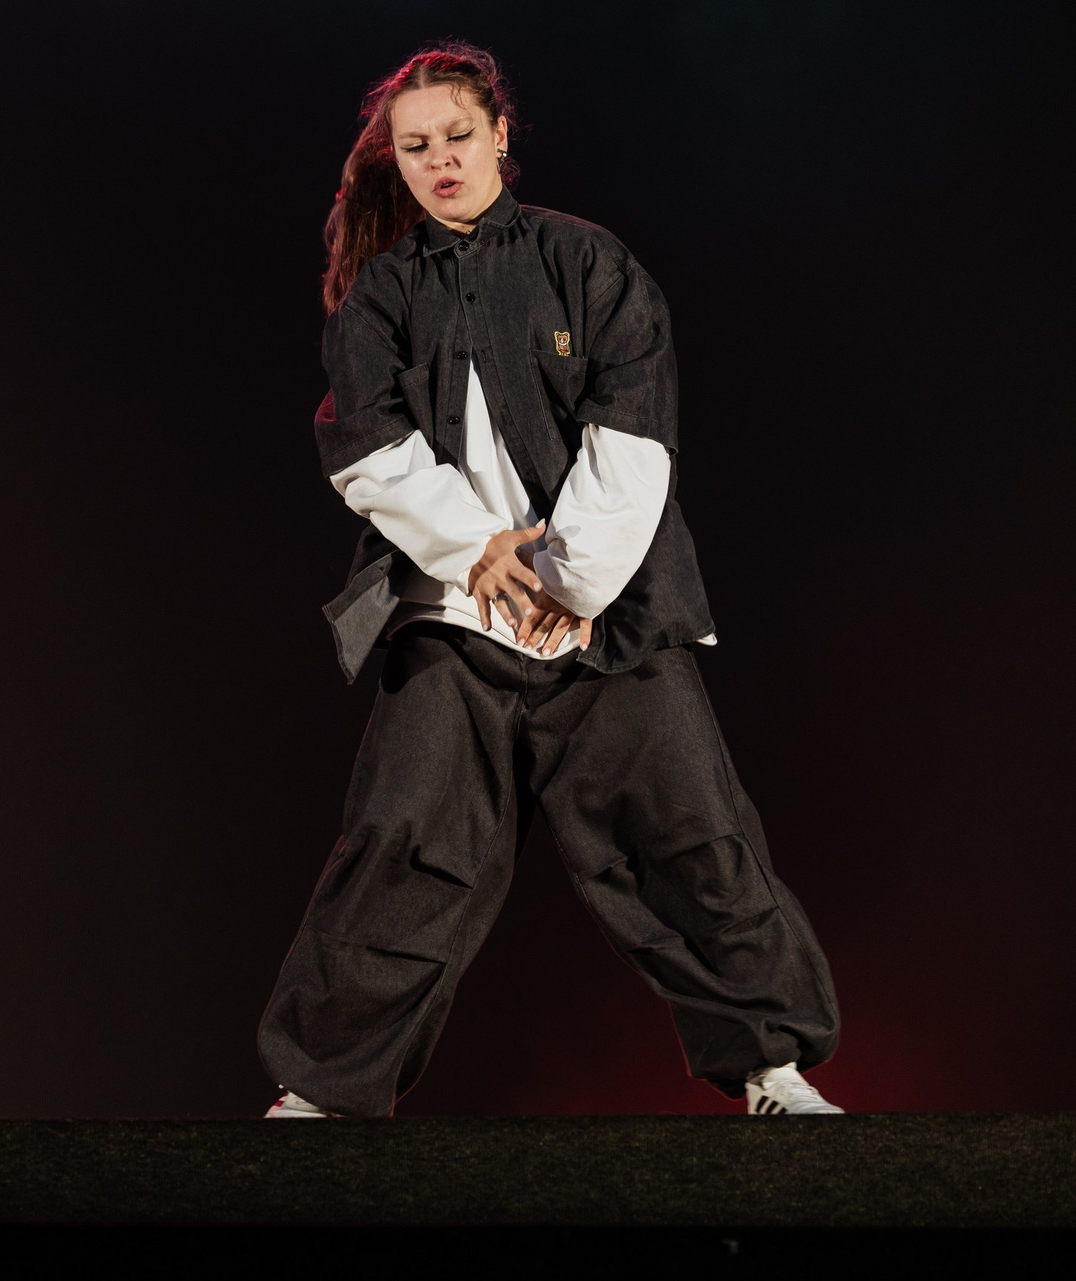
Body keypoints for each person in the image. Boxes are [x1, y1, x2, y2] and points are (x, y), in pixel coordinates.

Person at [257, 46, 842, 1118]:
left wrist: (569, 586)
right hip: (452, 616)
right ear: (396, 160)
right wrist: (475, 548)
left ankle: (774, 1068)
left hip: (606, 618)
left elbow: (635, 434)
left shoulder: (588, 261)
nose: (440, 161)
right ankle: (323, 1092)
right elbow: (366, 450)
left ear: (500, 135)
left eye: (457, 137)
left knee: (691, 835)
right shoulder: (381, 294)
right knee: (402, 845)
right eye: (416, 146)